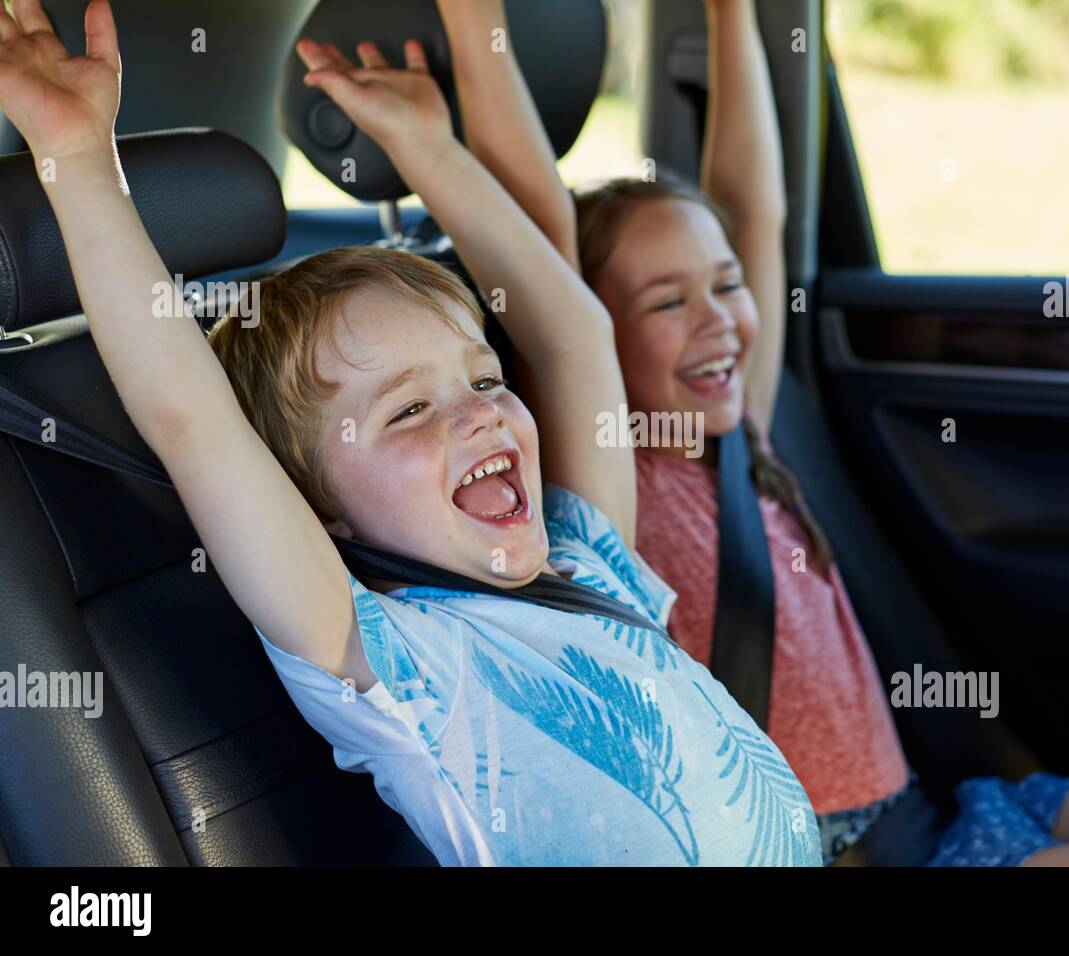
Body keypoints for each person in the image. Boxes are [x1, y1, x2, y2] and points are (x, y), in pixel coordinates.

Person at [462, 0, 1069, 865]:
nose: (719, 320)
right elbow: (537, 243)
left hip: (934, 817)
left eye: (727, 286)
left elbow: (757, 210)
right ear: (588, 325)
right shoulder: (610, 481)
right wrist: (468, 24)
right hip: (849, 855)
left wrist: (731, 15)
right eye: (668, 302)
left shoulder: (741, 428)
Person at [0, 0, 822, 866]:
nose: (478, 413)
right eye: (409, 410)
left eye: (484, 379)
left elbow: (575, 332)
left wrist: (426, 144)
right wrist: (75, 156)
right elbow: (190, 418)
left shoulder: (590, 566)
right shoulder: (394, 665)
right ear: (316, 507)